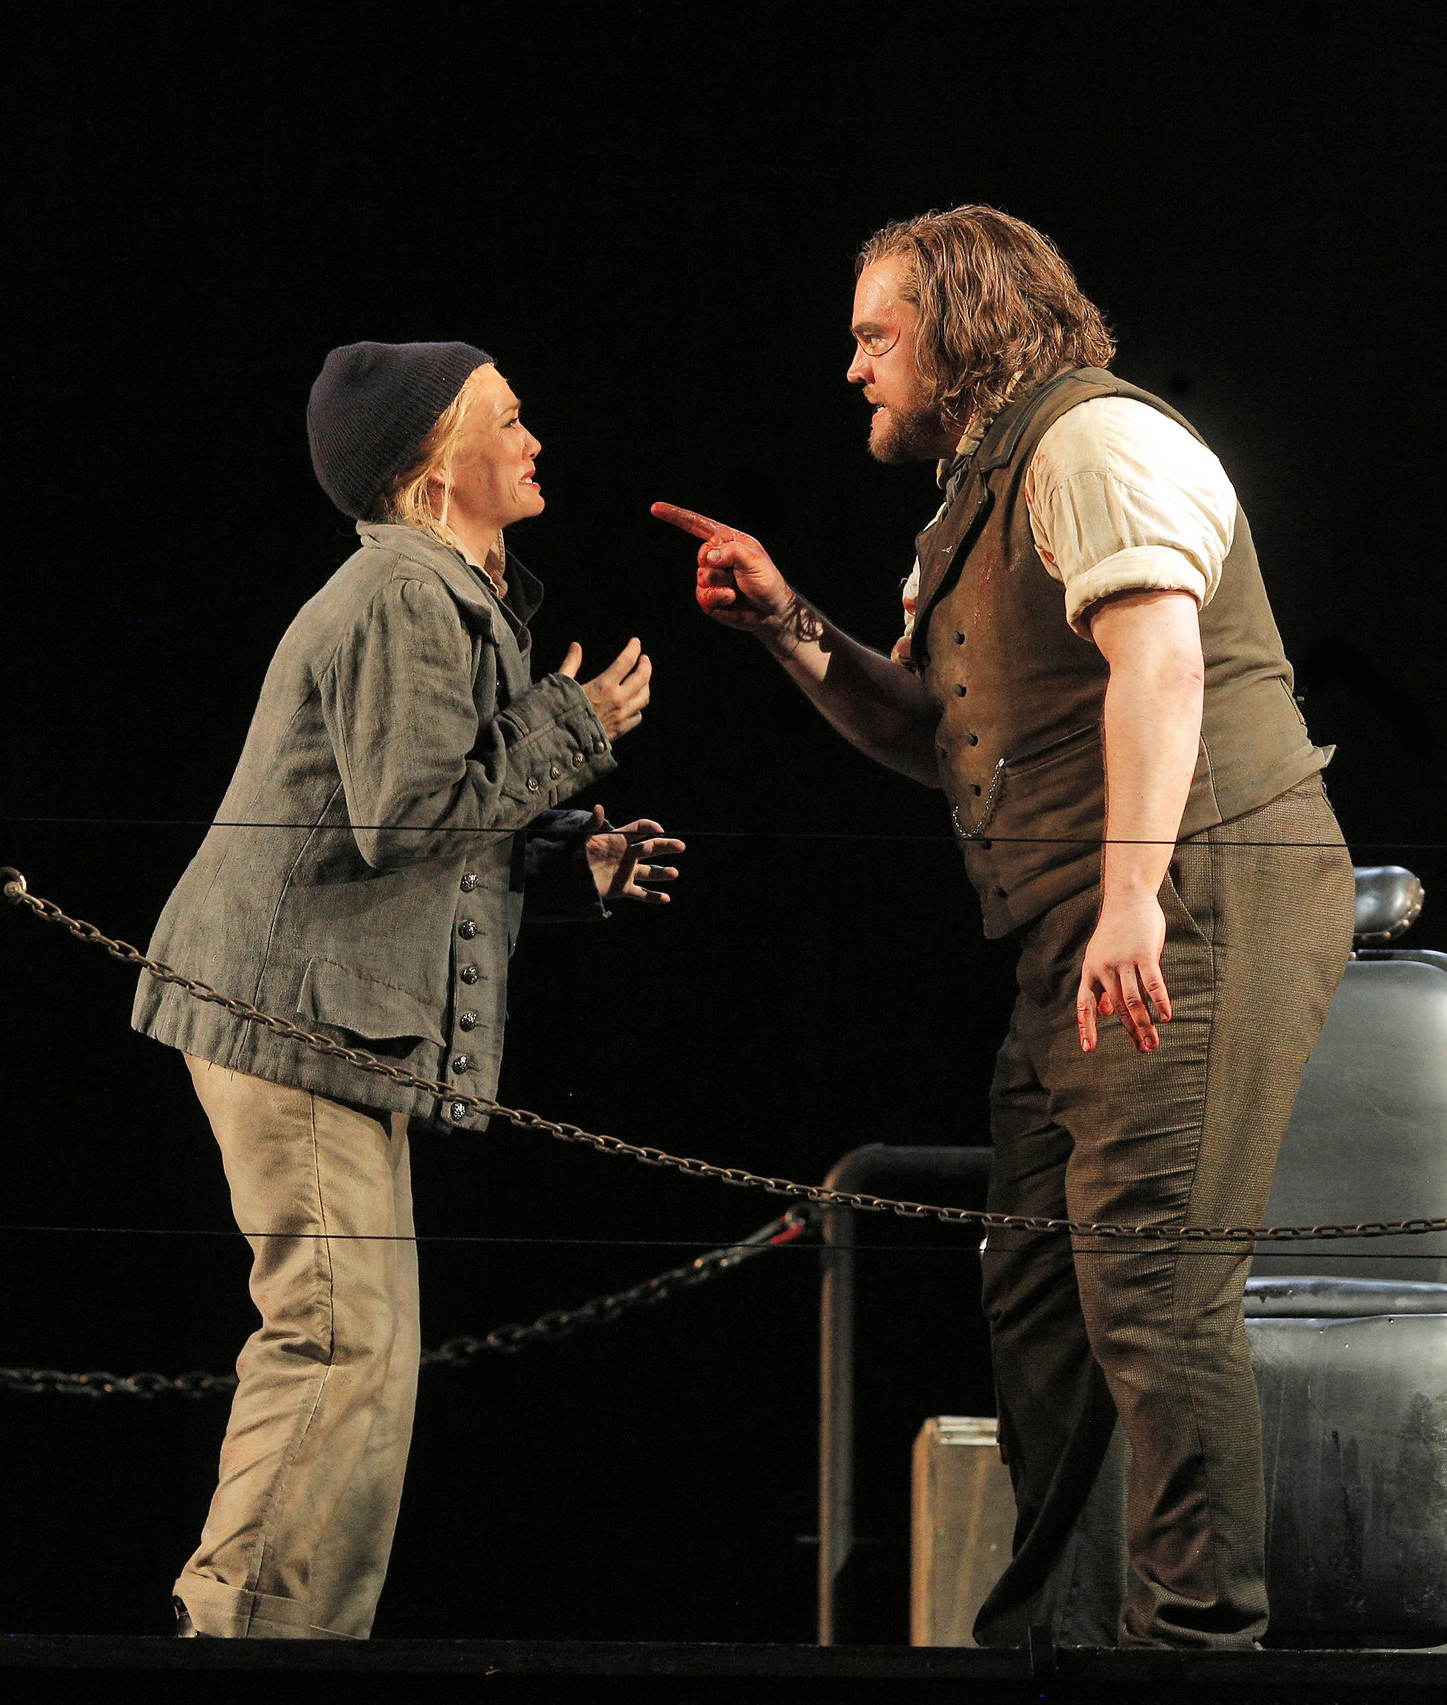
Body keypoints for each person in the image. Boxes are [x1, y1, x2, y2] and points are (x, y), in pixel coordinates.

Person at [655, 207, 1351, 1649]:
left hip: (1197, 889)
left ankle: (1201, 1642)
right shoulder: (977, 498)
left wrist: (1134, 895)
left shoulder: (1094, 446)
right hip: (1087, 928)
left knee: (1156, 1281)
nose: (854, 368)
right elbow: (944, 734)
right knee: (1039, 1288)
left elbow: (1161, 662)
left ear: (963, 328)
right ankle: (1055, 1636)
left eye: (876, 335)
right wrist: (792, 624)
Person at [135, 340, 682, 1640]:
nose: (536, 437)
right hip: (288, 1012)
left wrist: (570, 866)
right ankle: (240, 1639)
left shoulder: (446, 596)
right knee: (334, 1338)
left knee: (368, 1358)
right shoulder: (401, 595)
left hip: (327, 1015)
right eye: (508, 416)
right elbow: (411, 814)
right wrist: (577, 725)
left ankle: (302, 1638)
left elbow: (423, 828)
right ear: (438, 459)